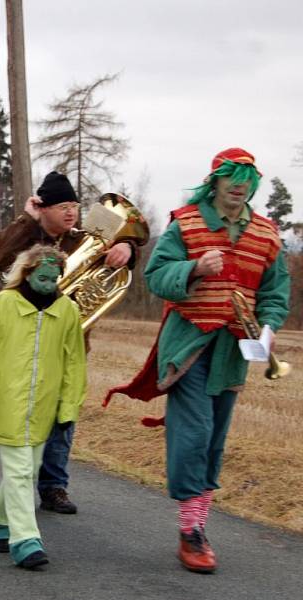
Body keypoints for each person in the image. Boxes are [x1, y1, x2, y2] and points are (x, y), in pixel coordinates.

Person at [105, 148, 289, 574]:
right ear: (216, 181)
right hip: (188, 343)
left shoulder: (266, 233)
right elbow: (156, 278)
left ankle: (196, 525)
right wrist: (194, 269)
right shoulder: (185, 223)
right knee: (195, 432)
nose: (240, 185)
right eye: (232, 177)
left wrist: (270, 326)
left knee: (214, 438)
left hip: (234, 350)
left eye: (247, 178)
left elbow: (276, 291)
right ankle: (192, 533)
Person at [0, 171, 133, 515]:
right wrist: (28, 220)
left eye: (75, 206)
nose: (71, 213)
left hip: (70, 343)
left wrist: (127, 247)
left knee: (63, 415)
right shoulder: (27, 234)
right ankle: (22, 480)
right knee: (25, 411)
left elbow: (129, 245)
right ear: (45, 209)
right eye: (63, 206)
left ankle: (54, 486)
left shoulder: (85, 239)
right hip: (23, 342)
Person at [0, 245, 86, 570]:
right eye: (42, 276)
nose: (48, 282)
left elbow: (74, 363)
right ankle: (25, 540)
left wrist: (68, 408)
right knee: (19, 472)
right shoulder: (3, 304)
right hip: (9, 401)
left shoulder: (67, 310)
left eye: (54, 277)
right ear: (27, 273)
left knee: (26, 470)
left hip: (46, 405)